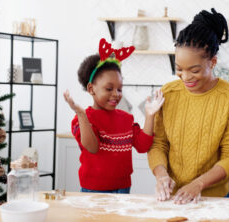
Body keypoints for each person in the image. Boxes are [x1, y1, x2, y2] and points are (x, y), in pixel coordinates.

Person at [147, 8, 229, 204]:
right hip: (172, 195)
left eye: (194, 70)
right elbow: (158, 143)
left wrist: (198, 184)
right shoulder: (168, 93)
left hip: (214, 199)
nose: (185, 77)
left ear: (213, 62)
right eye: (179, 69)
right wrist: (161, 175)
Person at [64, 38, 165, 193]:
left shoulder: (126, 118)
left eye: (119, 89)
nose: (116, 94)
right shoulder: (82, 119)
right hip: (93, 189)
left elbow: (142, 146)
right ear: (91, 89)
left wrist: (150, 115)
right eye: (109, 88)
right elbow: (92, 147)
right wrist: (81, 115)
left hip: (123, 188)